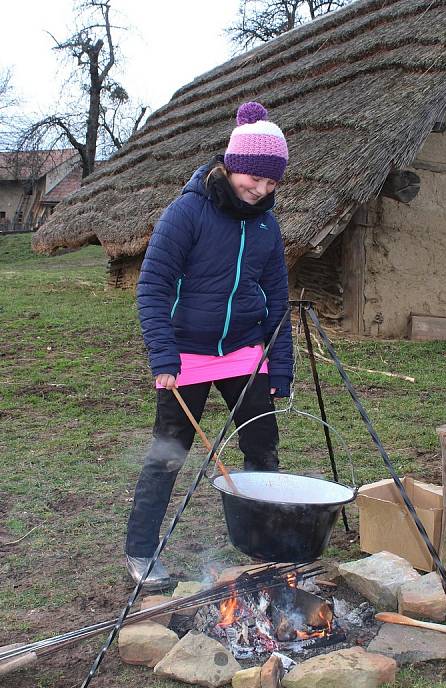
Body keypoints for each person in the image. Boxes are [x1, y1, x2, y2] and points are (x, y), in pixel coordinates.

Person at [125, 101, 293, 589]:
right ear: (232, 164)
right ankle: (140, 550)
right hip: (187, 355)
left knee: (262, 449)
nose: (260, 190)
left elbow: (278, 299)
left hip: (244, 350)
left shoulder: (266, 224)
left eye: (271, 182)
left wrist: (278, 368)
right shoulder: (188, 212)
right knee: (168, 454)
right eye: (253, 178)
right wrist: (163, 355)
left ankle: (266, 544)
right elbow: (153, 285)